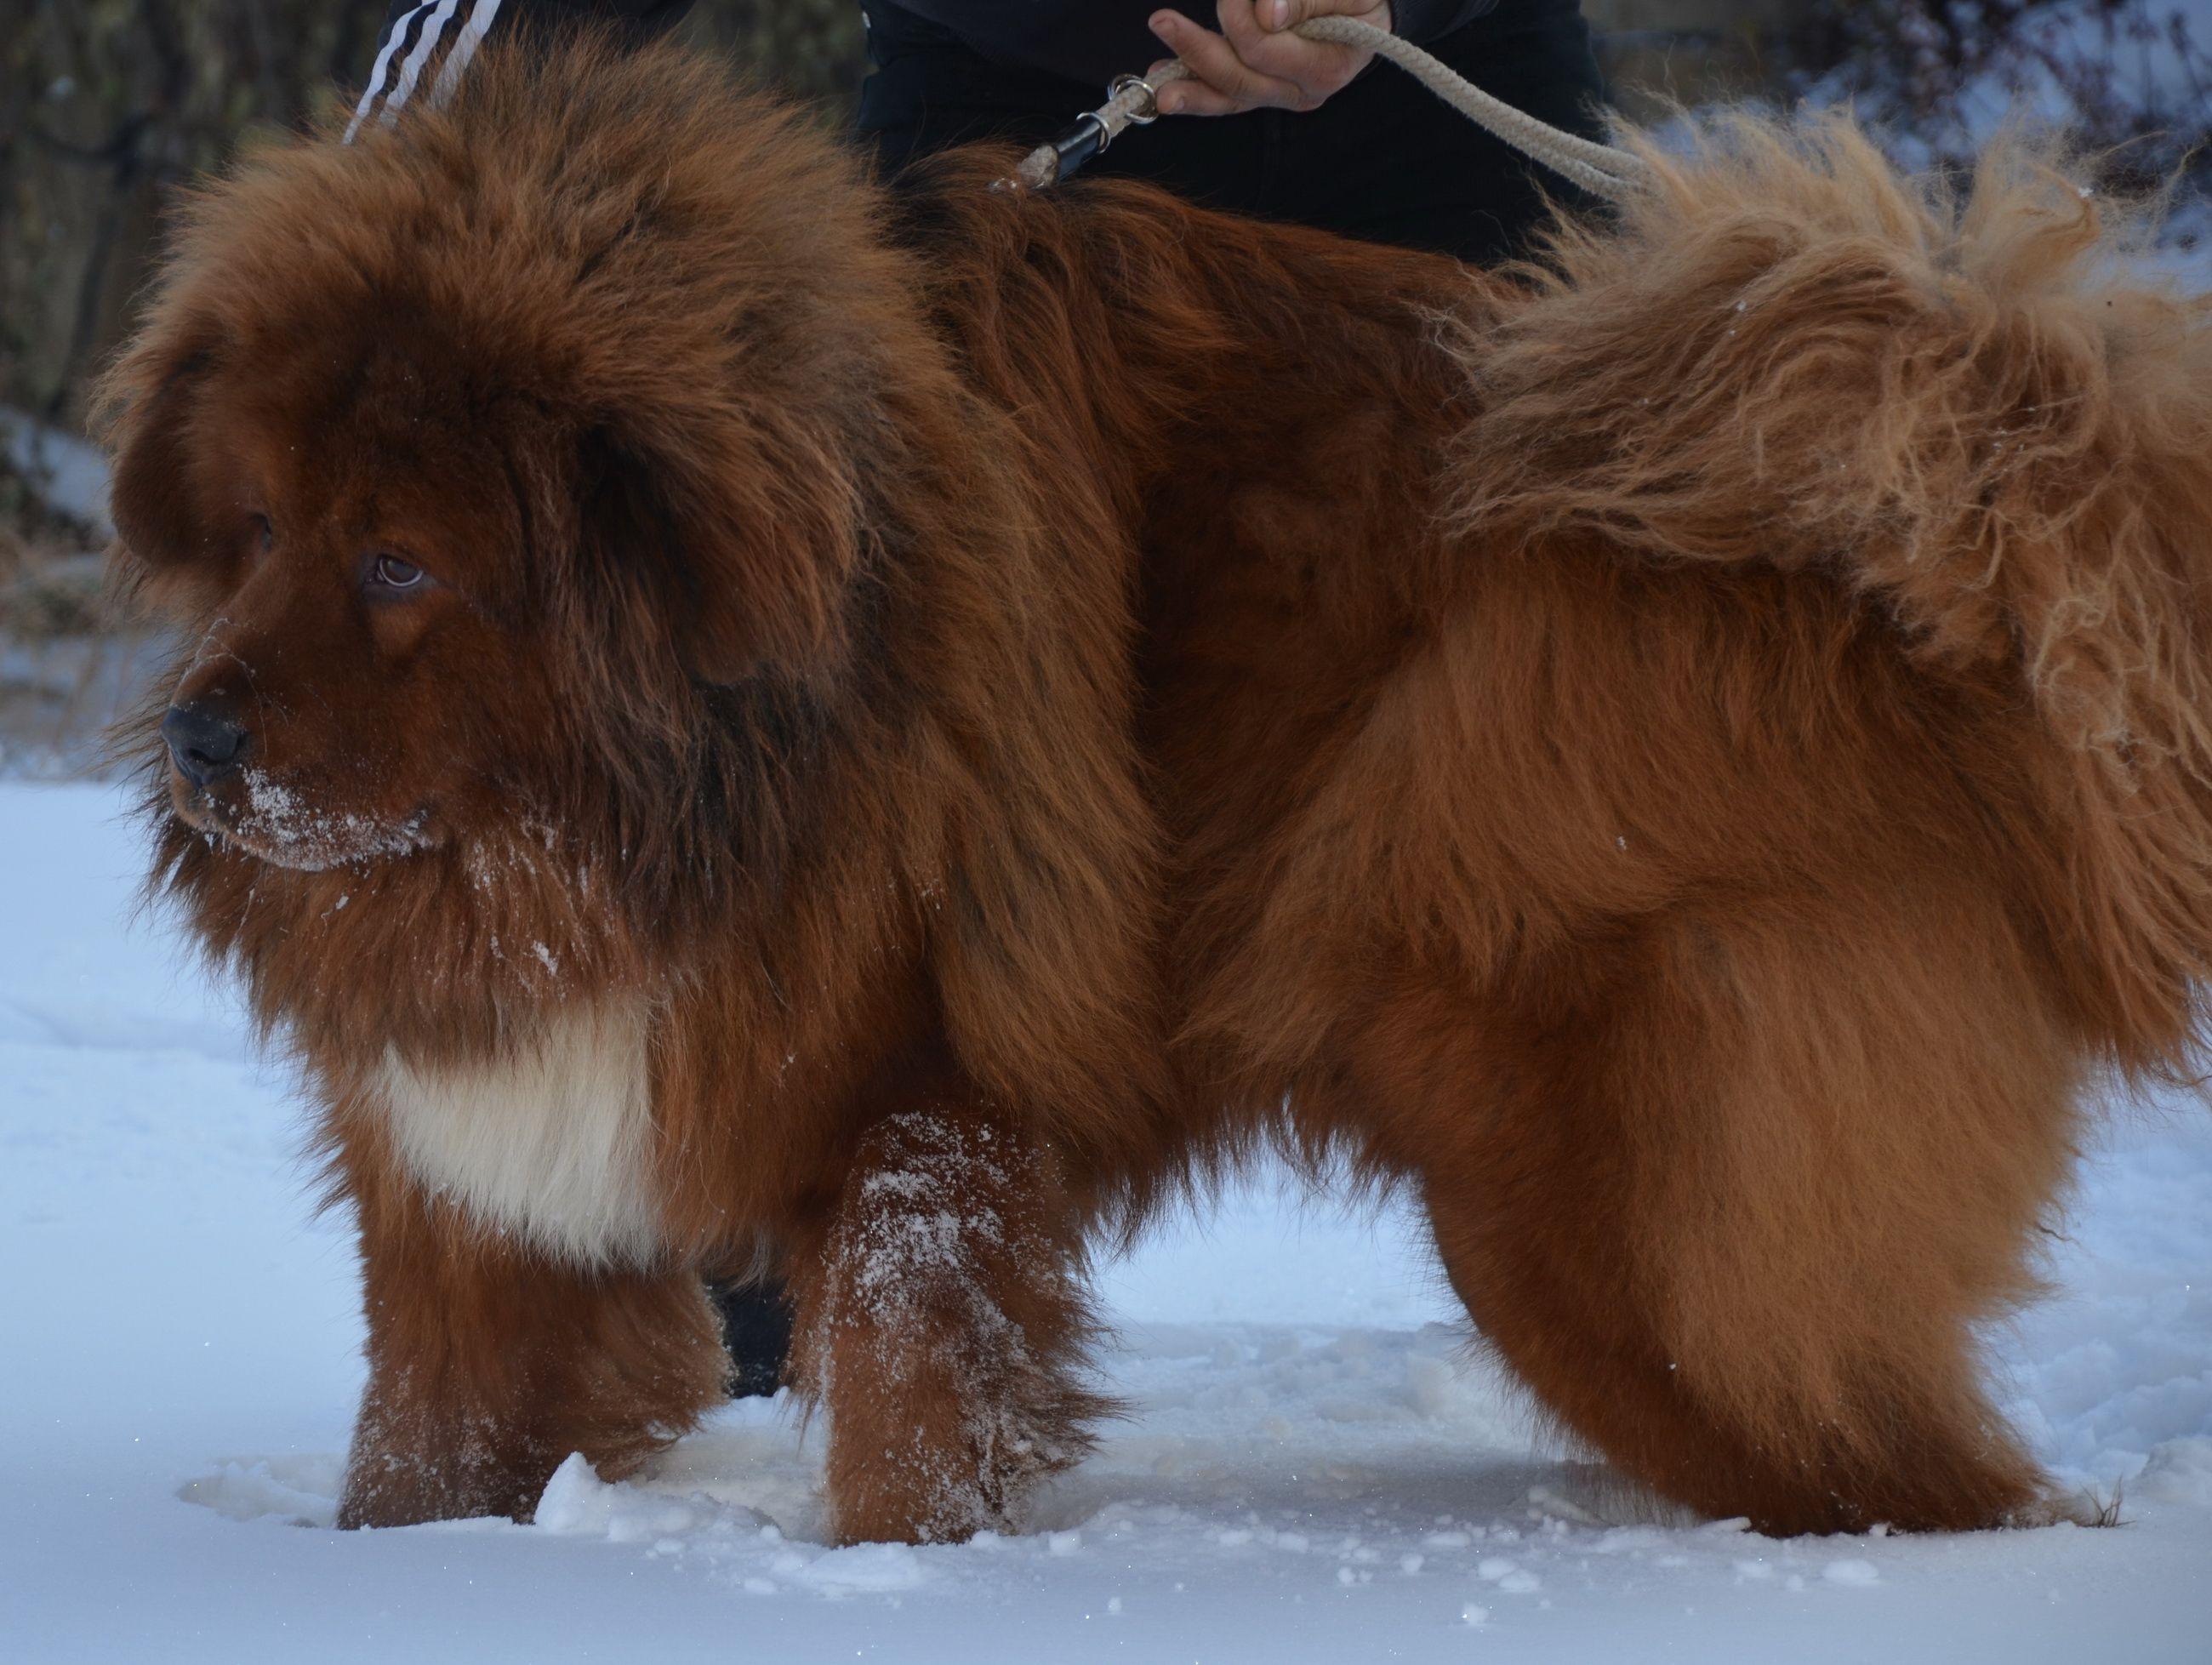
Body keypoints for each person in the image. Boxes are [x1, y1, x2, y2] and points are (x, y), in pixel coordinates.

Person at [344, 0, 1610, 1393]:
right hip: (1029, 110)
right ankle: (818, 1352)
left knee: (1593, 780)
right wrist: (370, 218)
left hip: (1451, 117)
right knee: (867, 816)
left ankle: (1665, 1264)